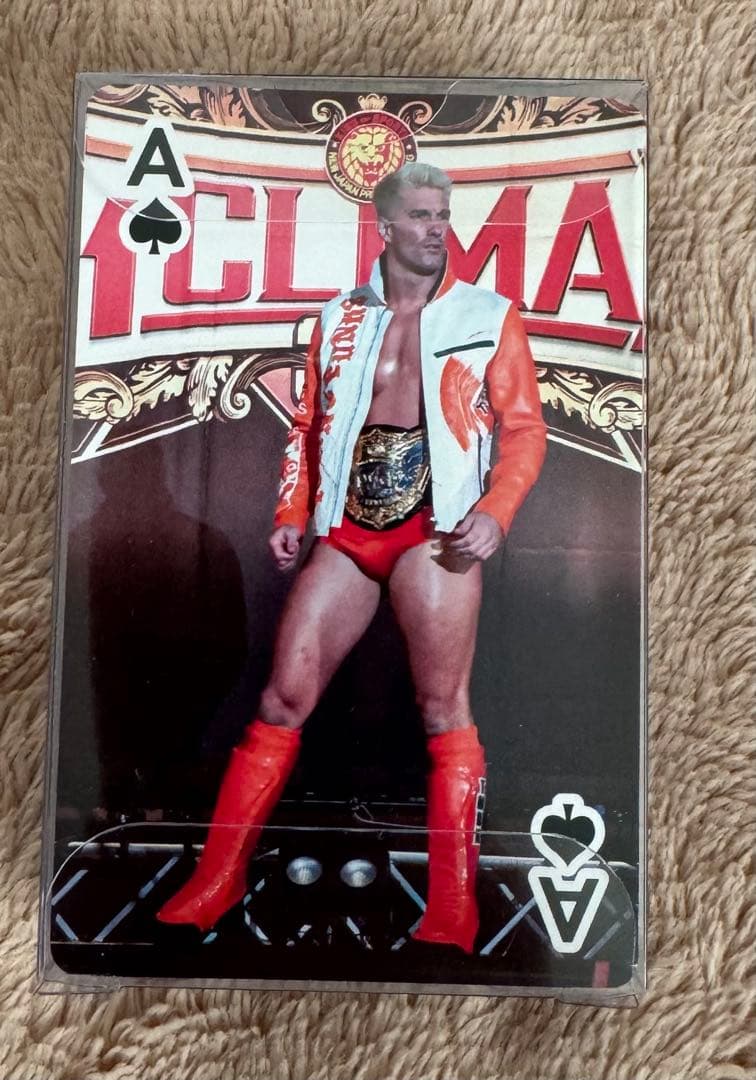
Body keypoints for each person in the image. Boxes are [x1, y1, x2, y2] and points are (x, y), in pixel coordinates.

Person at [158, 162, 547, 952]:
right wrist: (291, 513)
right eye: (422, 215)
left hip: (437, 530)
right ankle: (216, 879)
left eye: (444, 214)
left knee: (443, 711)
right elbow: (307, 426)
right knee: (281, 699)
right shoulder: (337, 317)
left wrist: (495, 513)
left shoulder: (489, 314)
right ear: (386, 225)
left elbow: (525, 430)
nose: (437, 229)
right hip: (349, 529)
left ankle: (453, 909)